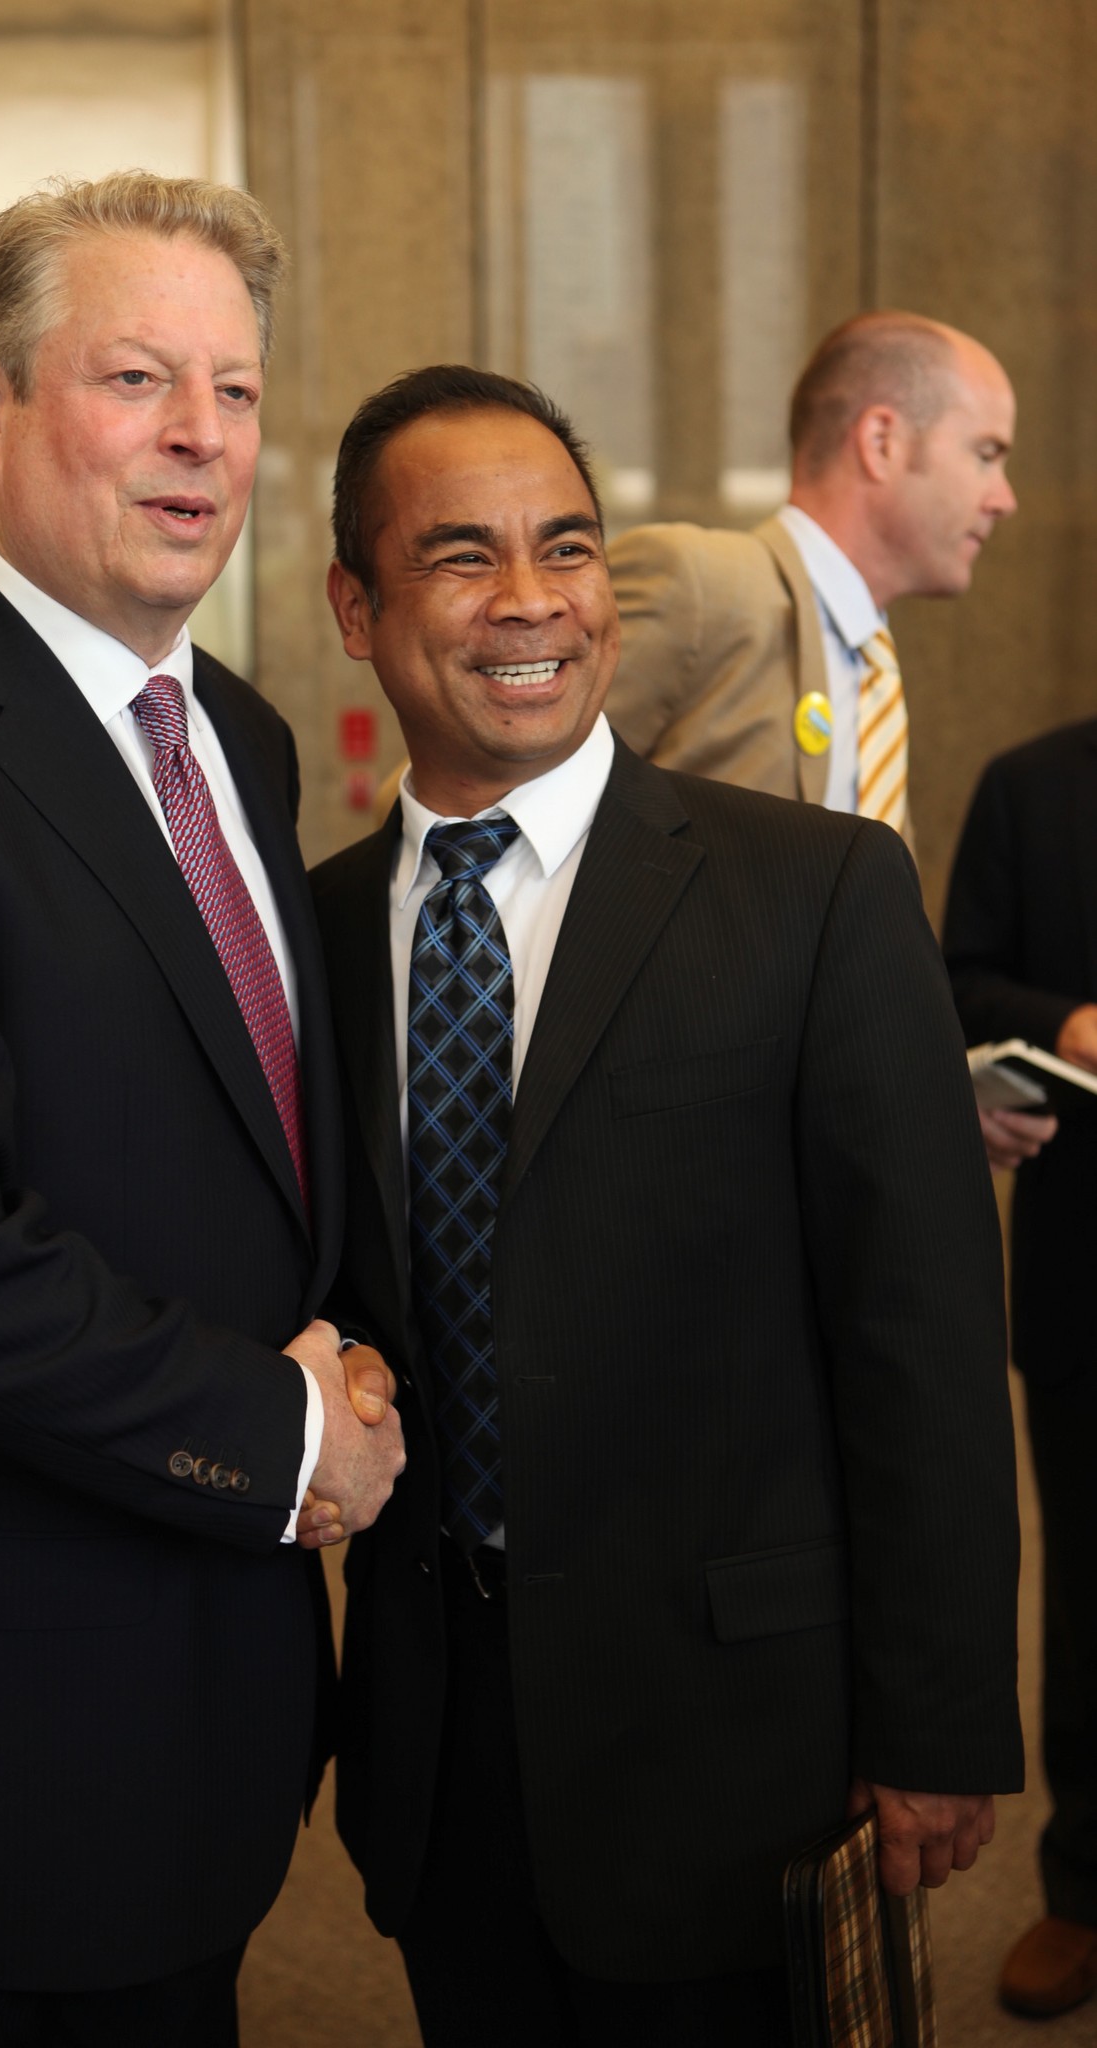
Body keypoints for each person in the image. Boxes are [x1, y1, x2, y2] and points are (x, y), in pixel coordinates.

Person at [0, 171, 404, 2047]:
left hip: (184, 1708)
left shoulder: (243, 738)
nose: (203, 436)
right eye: (136, 378)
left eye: (240, 389)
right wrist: (281, 1428)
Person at [312, 362, 1024, 2046]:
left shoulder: (819, 897)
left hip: (742, 1754)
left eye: (567, 546)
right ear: (357, 602)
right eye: (462, 556)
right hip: (438, 1753)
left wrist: (937, 1719)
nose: (532, 601)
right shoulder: (316, 933)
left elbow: (919, 1339)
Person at [606, 311, 1017, 844]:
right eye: (985, 455)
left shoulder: (874, 668)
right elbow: (515, 797)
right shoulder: (703, 584)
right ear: (881, 442)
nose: (1003, 500)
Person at [944, 721, 1097, 2020]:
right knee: (1091, 1601)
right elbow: (959, 982)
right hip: (1084, 1276)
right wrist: (1069, 1023)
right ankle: (1083, 1890)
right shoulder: (1031, 787)